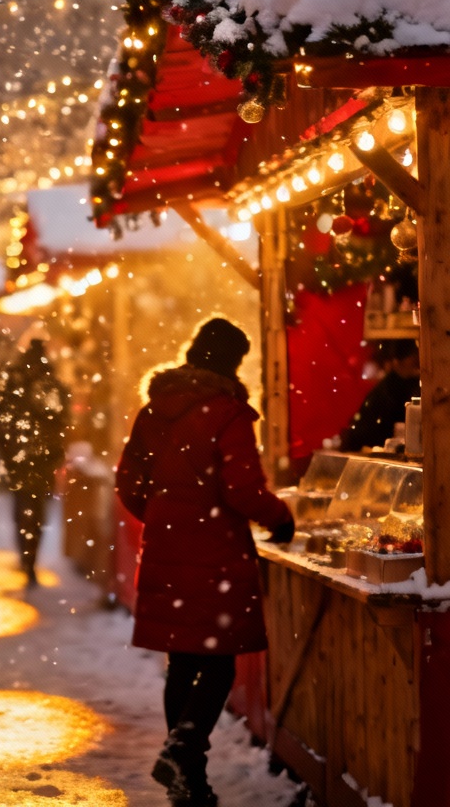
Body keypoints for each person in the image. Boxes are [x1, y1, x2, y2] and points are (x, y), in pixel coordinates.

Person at [115, 317, 294, 807]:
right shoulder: (228, 414)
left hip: (168, 549)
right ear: (233, 362)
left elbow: (129, 480)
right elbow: (242, 490)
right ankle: (184, 748)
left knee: (183, 662)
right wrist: (280, 517)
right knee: (217, 665)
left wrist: (161, 516)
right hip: (215, 555)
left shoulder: (156, 409)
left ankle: (187, 777)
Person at [0, 337, 70, 585]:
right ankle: (31, 554)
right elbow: (61, 419)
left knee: (22, 503)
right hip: (44, 455)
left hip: (19, 454)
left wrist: (6, 449)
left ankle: (26, 552)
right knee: (38, 508)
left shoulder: (16, 382)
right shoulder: (52, 384)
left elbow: (0, 418)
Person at [340, 338, 420, 452]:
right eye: (413, 356)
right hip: (375, 448)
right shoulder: (390, 387)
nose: (417, 360)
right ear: (398, 361)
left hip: (376, 447)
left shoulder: (398, 384)